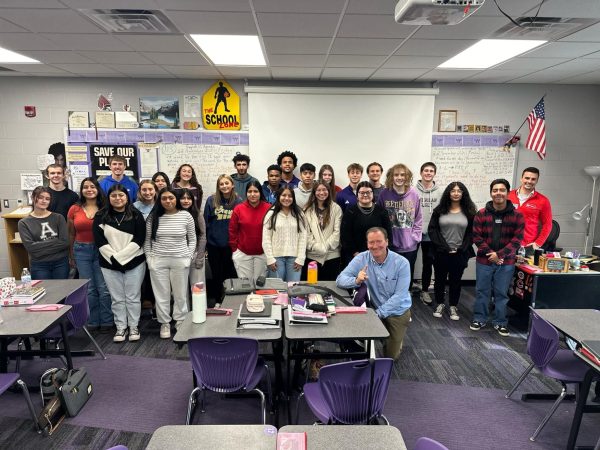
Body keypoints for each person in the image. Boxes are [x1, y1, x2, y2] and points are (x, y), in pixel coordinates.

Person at [336, 227, 412, 360]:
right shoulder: (361, 258)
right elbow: (340, 280)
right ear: (367, 244)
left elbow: (400, 296)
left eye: (379, 241)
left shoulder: (402, 263)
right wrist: (356, 280)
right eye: (371, 242)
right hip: (374, 309)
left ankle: (394, 340)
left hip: (398, 312)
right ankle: (385, 336)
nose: (375, 246)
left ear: (387, 242)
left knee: (390, 357)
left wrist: (377, 315)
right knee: (359, 343)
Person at [470, 179, 524, 337]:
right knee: (482, 291)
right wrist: (492, 255)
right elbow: (476, 237)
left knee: (501, 293)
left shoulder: (517, 215)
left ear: (508, 193)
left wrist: (499, 255)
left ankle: (500, 322)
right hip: (484, 261)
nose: (498, 193)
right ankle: (480, 318)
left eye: (502, 190)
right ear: (491, 193)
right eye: (495, 190)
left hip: (506, 262)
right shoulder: (481, 214)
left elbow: (517, 240)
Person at [93, 184, 146, 343]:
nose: (118, 198)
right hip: (109, 263)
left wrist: (122, 257)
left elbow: (139, 239)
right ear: (109, 198)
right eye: (114, 195)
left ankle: (134, 326)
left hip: (134, 261)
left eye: (121, 195)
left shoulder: (136, 214)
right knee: (117, 298)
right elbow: (100, 241)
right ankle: (121, 327)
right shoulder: (101, 215)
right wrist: (114, 258)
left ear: (127, 197)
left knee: (133, 297)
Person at [145, 188, 196, 339]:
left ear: (176, 199)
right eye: (164, 198)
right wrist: (150, 260)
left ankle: (180, 322)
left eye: (171, 198)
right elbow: (147, 241)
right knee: (162, 295)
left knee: (180, 295)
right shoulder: (153, 217)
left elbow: (192, 239)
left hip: (180, 260)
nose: (168, 201)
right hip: (158, 261)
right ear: (160, 201)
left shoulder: (186, 215)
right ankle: (164, 323)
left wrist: (188, 257)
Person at [67, 178, 112, 330]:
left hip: (102, 250)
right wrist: (71, 255)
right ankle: (93, 320)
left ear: (98, 189)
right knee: (89, 288)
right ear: (81, 190)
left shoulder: (106, 207)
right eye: (85, 187)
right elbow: (71, 234)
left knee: (103, 287)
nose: (89, 189)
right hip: (81, 250)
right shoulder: (74, 209)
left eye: (92, 186)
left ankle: (106, 321)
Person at [428, 182, 476, 321]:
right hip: (441, 252)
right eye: (453, 191)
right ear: (448, 193)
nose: (456, 193)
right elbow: (433, 230)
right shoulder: (439, 210)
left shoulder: (470, 212)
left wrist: (461, 248)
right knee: (439, 280)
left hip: (460, 253)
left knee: (456, 281)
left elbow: (471, 233)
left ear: (463, 193)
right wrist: (444, 247)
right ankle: (440, 304)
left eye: (459, 191)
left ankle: (453, 305)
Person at [377, 163, 422, 287]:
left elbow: (418, 218)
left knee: (406, 275)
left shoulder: (414, 194)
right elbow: (379, 218)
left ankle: (405, 301)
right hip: (390, 245)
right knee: (389, 276)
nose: (399, 177)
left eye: (403, 174)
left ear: (407, 177)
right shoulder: (384, 194)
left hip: (410, 245)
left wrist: (415, 238)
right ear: (391, 176)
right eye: (396, 174)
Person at [204, 174, 242, 304]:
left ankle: (230, 300)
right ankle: (217, 300)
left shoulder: (238, 201)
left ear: (232, 185)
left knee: (230, 273)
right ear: (218, 186)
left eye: (227, 183)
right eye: (222, 184)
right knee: (216, 274)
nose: (224, 186)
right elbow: (206, 223)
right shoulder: (211, 200)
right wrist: (205, 245)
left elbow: (241, 224)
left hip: (230, 245)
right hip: (214, 245)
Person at [18, 186, 70, 280]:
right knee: (44, 292)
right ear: (33, 198)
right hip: (39, 265)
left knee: (61, 292)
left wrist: (39, 248)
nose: (44, 201)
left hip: (60, 263)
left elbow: (65, 242)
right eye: (41, 197)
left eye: (47, 199)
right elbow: (31, 248)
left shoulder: (58, 218)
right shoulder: (24, 223)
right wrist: (55, 241)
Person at [340, 181, 393, 267]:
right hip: (355, 256)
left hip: (378, 255)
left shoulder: (382, 211)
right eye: (362, 193)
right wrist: (356, 254)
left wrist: (382, 252)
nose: (365, 195)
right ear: (357, 195)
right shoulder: (350, 212)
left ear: (373, 194)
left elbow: (388, 234)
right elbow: (345, 236)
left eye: (368, 192)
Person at [229, 181, 272, 282]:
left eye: (255, 191)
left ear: (260, 193)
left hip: (263, 254)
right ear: (246, 193)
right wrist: (235, 250)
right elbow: (232, 230)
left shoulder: (269, 208)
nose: (252, 194)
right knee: (246, 285)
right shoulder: (238, 209)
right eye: (250, 191)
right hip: (242, 254)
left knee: (260, 286)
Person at [262, 186, 307, 281]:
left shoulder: (299, 214)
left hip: (295, 259)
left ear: (293, 198)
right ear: (278, 197)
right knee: (277, 290)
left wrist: (300, 258)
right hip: (276, 258)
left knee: (293, 289)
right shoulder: (271, 214)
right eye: (283, 195)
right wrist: (270, 258)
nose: (287, 198)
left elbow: (303, 237)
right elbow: (266, 239)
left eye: (290, 196)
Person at [303, 181, 342, 280]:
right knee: (312, 288)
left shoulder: (336, 208)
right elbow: (306, 233)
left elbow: (337, 232)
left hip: (332, 256)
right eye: (318, 190)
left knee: (330, 289)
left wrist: (325, 247)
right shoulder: (307, 210)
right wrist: (317, 247)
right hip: (312, 256)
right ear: (314, 192)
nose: (321, 192)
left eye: (324, 190)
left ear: (328, 191)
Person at [507, 167, 552, 252]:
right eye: (527, 178)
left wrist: (538, 243)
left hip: (527, 246)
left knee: (523, 266)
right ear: (521, 178)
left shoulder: (543, 200)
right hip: (506, 243)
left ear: (537, 181)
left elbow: (548, 224)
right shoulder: (508, 196)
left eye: (533, 179)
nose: (529, 181)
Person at [416, 162, 441, 305]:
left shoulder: (440, 192)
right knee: (409, 263)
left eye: (431, 171)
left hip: (431, 234)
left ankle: (424, 290)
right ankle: (405, 290)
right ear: (421, 173)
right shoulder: (413, 190)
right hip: (414, 232)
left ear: (434, 174)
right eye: (426, 170)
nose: (428, 173)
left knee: (428, 263)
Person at [179, 188, 207, 292]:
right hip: (180, 256)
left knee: (198, 288)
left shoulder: (197, 214)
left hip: (196, 255)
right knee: (181, 289)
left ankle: (199, 308)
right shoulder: (174, 215)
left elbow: (203, 236)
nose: (186, 201)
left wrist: (199, 257)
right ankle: (184, 309)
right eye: (183, 198)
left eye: (189, 198)